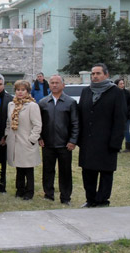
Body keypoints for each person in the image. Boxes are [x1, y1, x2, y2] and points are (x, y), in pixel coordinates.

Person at [78, 63, 125, 208]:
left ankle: (102, 201)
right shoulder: (86, 92)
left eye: (98, 73)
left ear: (106, 75)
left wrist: (115, 143)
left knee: (105, 173)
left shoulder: (116, 93)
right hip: (88, 142)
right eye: (93, 74)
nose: (95, 76)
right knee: (88, 173)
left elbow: (120, 119)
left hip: (106, 142)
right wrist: (79, 139)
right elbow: (80, 116)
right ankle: (90, 200)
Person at [38, 75, 79, 205]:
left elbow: (75, 123)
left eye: (57, 83)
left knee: (65, 172)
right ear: (49, 85)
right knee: (47, 170)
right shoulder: (43, 102)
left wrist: (72, 140)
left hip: (65, 144)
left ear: (63, 85)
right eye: (52, 83)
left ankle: (65, 197)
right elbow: (38, 123)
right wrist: (40, 137)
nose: (54, 85)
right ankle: (48, 194)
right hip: (48, 143)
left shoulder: (70, 102)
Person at [4, 80, 42, 201]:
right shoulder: (11, 105)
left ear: (27, 91)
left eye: (23, 90)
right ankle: (19, 190)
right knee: (18, 167)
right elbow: (8, 122)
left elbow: (37, 125)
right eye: (18, 90)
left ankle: (29, 192)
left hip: (26, 141)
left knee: (28, 168)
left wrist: (32, 139)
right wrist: (6, 135)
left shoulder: (32, 105)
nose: (20, 92)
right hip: (14, 141)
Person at [116, 79, 130, 152]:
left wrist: (126, 110)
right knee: (117, 131)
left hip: (126, 116)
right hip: (117, 116)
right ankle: (118, 147)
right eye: (120, 84)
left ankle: (128, 147)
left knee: (126, 131)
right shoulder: (114, 93)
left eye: (123, 83)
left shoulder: (127, 93)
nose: (122, 85)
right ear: (117, 85)